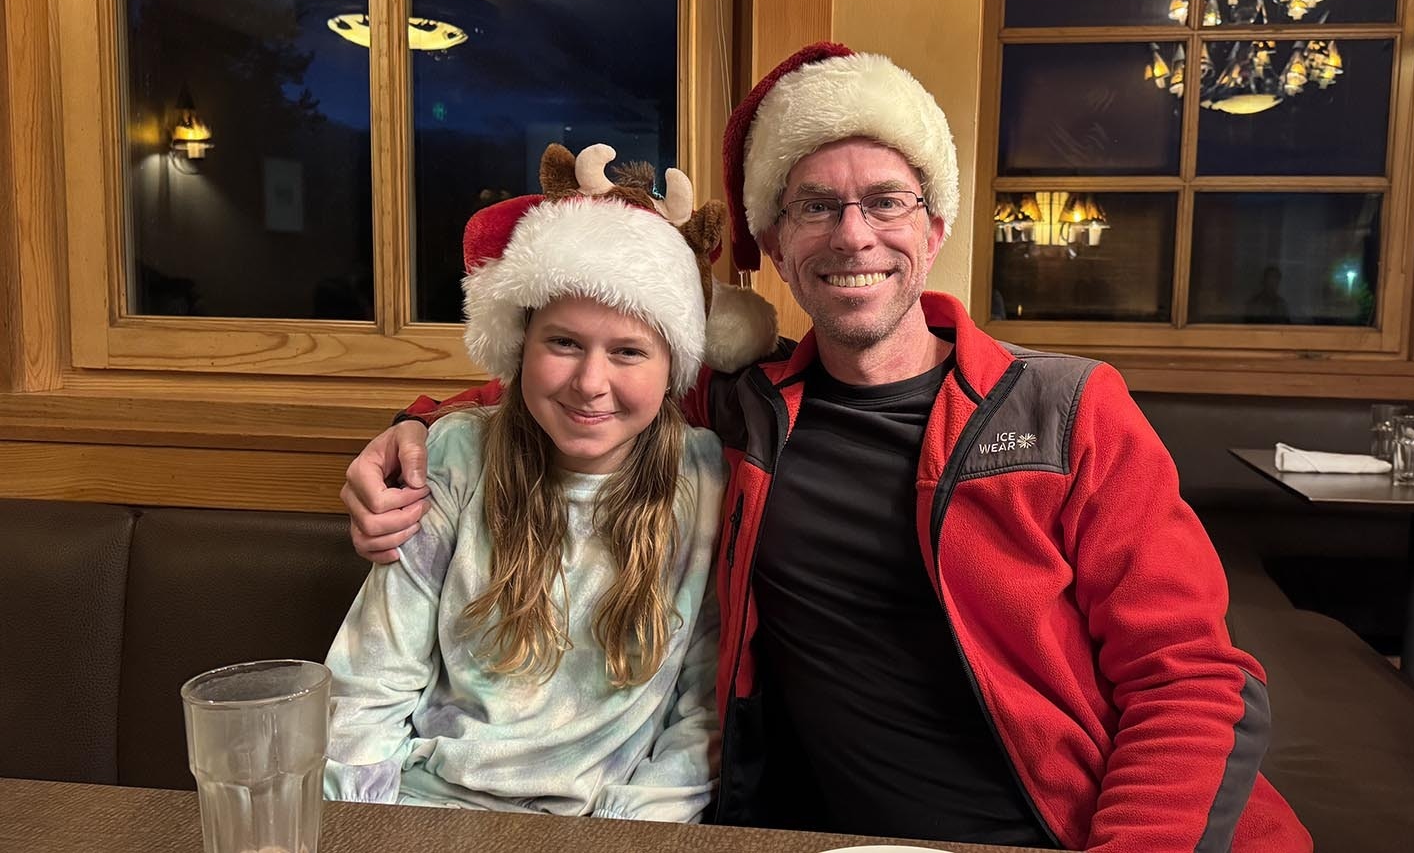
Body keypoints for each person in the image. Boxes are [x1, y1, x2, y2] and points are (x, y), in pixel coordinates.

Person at [343, 44, 1311, 852]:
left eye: (885, 201)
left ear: (933, 227)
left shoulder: (1067, 408)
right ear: (769, 237)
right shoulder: (741, 408)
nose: (855, 234)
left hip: (1067, 831)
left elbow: (1188, 677)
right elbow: (579, 379)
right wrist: (421, 424)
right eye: (814, 204)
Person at [323, 142, 770, 820]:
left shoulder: (704, 479)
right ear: (521, 346)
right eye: (563, 343)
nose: (591, 384)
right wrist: (362, 827)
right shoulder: (454, 456)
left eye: (628, 352)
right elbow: (365, 692)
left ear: (675, 367)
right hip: (425, 814)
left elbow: (696, 727)